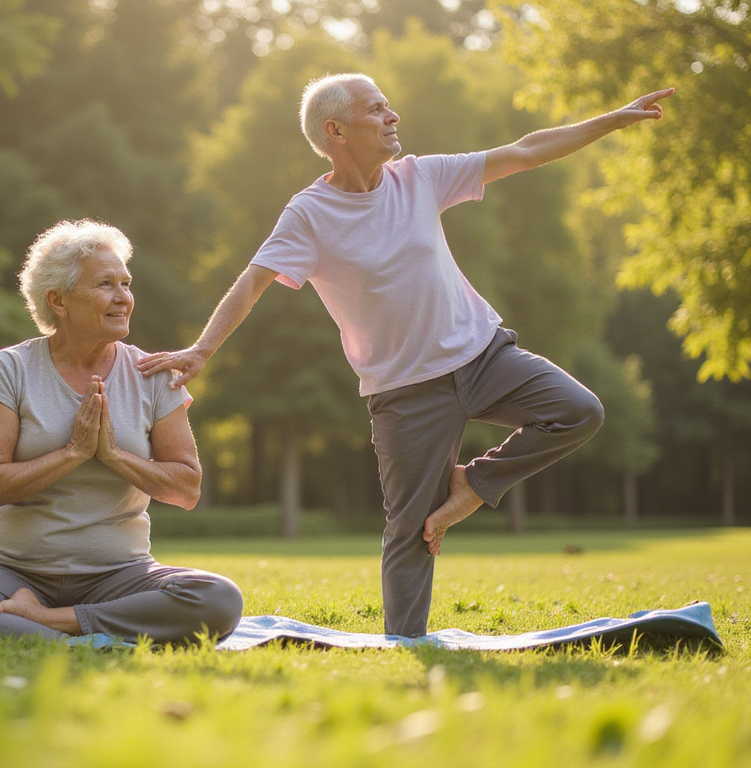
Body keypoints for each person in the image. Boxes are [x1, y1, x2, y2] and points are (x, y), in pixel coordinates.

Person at [137, 74, 674, 637]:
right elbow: (252, 282)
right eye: (377, 109)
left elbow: (524, 151)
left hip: (482, 356)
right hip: (405, 391)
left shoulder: (419, 177)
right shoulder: (309, 214)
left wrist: (610, 120)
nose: (393, 116)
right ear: (336, 129)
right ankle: (405, 646)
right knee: (410, 529)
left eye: (390, 106)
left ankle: (474, 485)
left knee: (579, 411)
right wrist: (202, 349)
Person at [0, 220, 243, 644]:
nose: (123, 297)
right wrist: (71, 453)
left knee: (217, 599)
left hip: (118, 575)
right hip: (10, 570)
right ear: (58, 300)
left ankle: (51, 625)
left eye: (126, 283)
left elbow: (187, 488)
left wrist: (114, 456)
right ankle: (82, 629)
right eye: (106, 284)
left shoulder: (153, 375)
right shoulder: (10, 369)